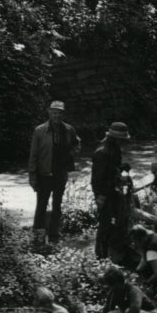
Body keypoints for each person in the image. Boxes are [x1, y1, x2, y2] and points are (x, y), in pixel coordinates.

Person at [27, 100, 80, 247]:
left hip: (60, 173)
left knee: (57, 205)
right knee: (41, 205)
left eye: (59, 113)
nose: (57, 115)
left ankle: (54, 236)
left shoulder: (69, 129)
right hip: (44, 173)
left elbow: (76, 144)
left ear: (63, 114)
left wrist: (71, 154)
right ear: (49, 113)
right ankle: (38, 235)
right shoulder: (40, 130)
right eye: (54, 112)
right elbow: (34, 154)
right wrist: (32, 174)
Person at [90, 122, 130, 259]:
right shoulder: (102, 152)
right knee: (105, 223)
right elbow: (98, 179)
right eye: (122, 139)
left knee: (117, 219)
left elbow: (113, 168)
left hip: (112, 189)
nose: (123, 142)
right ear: (115, 138)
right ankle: (100, 255)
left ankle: (112, 249)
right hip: (104, 192)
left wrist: (122, 168)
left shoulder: (114, 148)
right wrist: (101, 197)